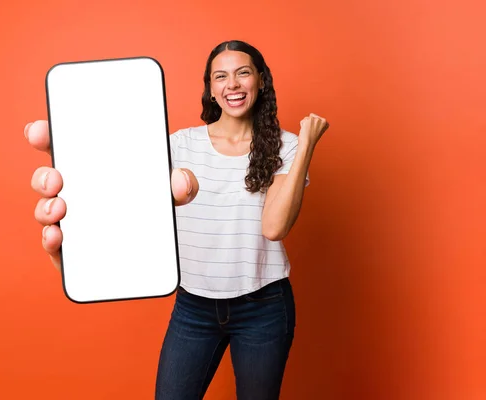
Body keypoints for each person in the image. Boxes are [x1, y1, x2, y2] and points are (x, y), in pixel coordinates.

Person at [25, 40, 329, 400]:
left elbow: (274, 227)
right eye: (221, 76)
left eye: (242, 73)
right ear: (211, 89)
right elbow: (126, 201)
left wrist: (307, 144)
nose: (232, 84)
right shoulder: (179, 145)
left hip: (263, 306)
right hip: (194, 306)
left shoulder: (287, 145)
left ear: (260, 81)